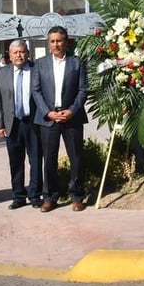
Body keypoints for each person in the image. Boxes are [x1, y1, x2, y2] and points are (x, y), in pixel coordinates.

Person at [32, 25, 89, 212]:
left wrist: (72, 111)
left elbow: (82, 90)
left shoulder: (77, 63)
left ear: (66, 42)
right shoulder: (40, 64)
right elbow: (36, 91)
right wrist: (47, 112)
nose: (56, 44)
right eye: (52, 41)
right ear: (48, 44)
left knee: (76, 158)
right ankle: (50, 197)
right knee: (49, 159)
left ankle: (77, 196)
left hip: (71, 117)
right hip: (49, 118)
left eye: (59, 41)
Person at [0, 39, 43, 210]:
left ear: (27, 53)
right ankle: (19, 196)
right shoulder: (2, 72)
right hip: (12, 124)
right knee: (15, 161)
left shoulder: (37, 69)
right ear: (10, 55)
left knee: (35, 160)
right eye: (15, 52)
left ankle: (35, 195)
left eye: (22, 52)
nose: (19, 55)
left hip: (33, 122)